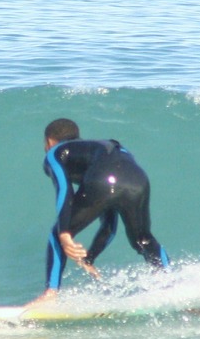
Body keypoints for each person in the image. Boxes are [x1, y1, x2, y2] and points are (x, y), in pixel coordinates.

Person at [34, 117, 168, 301]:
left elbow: (64, 189)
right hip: (138, 179)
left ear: (48, 141)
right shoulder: (97, 152)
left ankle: (50, 294)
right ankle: (171, 286)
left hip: (102, 179)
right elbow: (109, 224)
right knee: (143, 240)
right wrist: (89, 258)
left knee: (56, 235)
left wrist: (64, 233)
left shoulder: (55, 152)